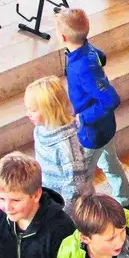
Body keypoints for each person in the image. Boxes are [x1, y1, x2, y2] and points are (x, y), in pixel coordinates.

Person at [57, 8, 129, 209]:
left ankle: (87, 212)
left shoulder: (81, 66)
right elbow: (102, 56)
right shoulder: (84, 49)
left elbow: (110, 100)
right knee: (110, 164)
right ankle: (125, 200)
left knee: (83, 177)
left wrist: (82, 118)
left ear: (63, 37)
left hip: (93, 132)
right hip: (104, 128)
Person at [25, 75, 94, 207]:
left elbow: (76, 187)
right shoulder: (39, 130)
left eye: (32, 110)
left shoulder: (67, 146)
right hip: (50, 195)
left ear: (50, 110)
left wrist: (63, 212)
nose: (27, 114)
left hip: (72, 206)